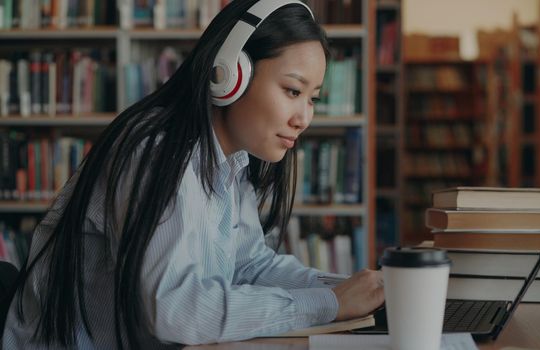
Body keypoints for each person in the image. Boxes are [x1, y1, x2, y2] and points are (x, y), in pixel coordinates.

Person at [2, 0, 385, 348]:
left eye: (312, 98)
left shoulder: (229, 163)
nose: (304, 117)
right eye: (291, 90)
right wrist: (330, 304)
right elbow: (175, 310)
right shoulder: (157, 155)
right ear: (230, 74)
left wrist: (354, 292)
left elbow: (251, 265)